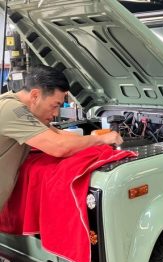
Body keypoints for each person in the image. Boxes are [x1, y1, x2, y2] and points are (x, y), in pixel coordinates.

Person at [0, 65, 123, 210]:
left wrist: (91, 137)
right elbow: (59, 147)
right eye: (54, 105)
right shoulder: (13, 109)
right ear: (35, 96)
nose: (56, 112)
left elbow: (58, 134)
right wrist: (102, 140)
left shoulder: (21, 109)